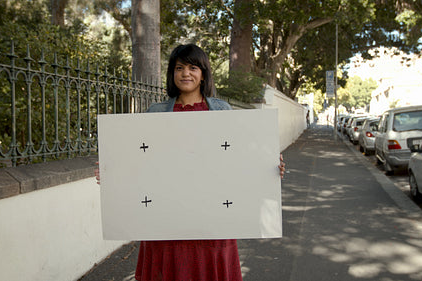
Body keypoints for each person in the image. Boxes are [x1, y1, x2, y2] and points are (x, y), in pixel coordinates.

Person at [94, 44, 286, 281]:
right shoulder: (155, 113)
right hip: (166, 224)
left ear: (203, 73)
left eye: (193, 67)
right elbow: (140, 163)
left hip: (212, 225)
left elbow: (240, 160)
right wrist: (112, 174)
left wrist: (268, 165)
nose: (186, 73)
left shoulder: (223, 112)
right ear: (172, 74)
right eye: (179, 67)